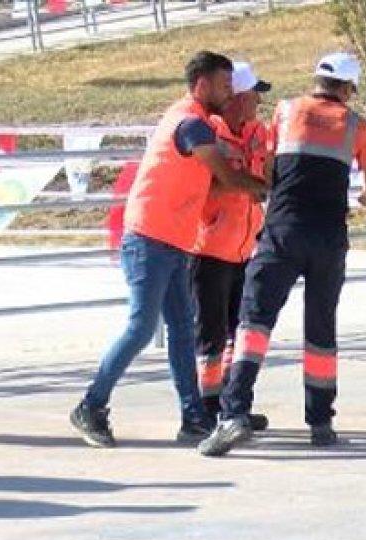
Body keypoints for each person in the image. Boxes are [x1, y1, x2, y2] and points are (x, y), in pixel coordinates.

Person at [69, 51, 266, 449]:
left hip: (174, 241)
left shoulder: (201, 121)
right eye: (225, 86)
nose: (231, 94)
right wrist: (269, 187)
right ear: (202, 86)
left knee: (180, 330)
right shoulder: (190, 124)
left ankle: (193, 418)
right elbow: (225, 177)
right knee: (142, 327)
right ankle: (90, 405)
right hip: (149, 239)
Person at [199, 52, 366, 457]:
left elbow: (266, 170)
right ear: (349, 88)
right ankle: (320, 422)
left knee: (254, 322)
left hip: (282, 233)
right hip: (329, 239)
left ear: (317, 81)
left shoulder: (285, 111)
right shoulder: (356, 125)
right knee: (321, 330)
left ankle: (233, 415)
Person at [188, 62, 273, 436]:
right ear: (237, 96)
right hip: (208, 248)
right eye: (255, 93)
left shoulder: (259, 133)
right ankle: (207, 408)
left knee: (240, 332)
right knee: (211, 335)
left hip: (245, 249)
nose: (259, 100)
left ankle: (233, 405)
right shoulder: (211, 136)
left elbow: (268, 175)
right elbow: (202, 189)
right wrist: (244, 185)